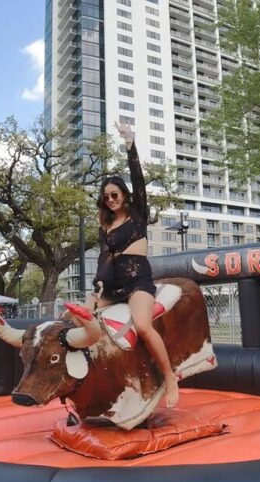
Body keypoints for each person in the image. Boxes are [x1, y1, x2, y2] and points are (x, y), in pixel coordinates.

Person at [87, 121, 180, 408]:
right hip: (112, 285)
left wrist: (130, 144)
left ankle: (169, 377)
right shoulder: (105, 225)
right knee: (81, 317)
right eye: (106, 197)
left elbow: (139, 180)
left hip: (138, 281)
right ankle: (95, 382)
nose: (110, 200)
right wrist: (98, 285)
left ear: (124, 195)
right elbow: (104, 256)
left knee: (142, 325)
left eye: (114, 195)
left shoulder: (137, 214)